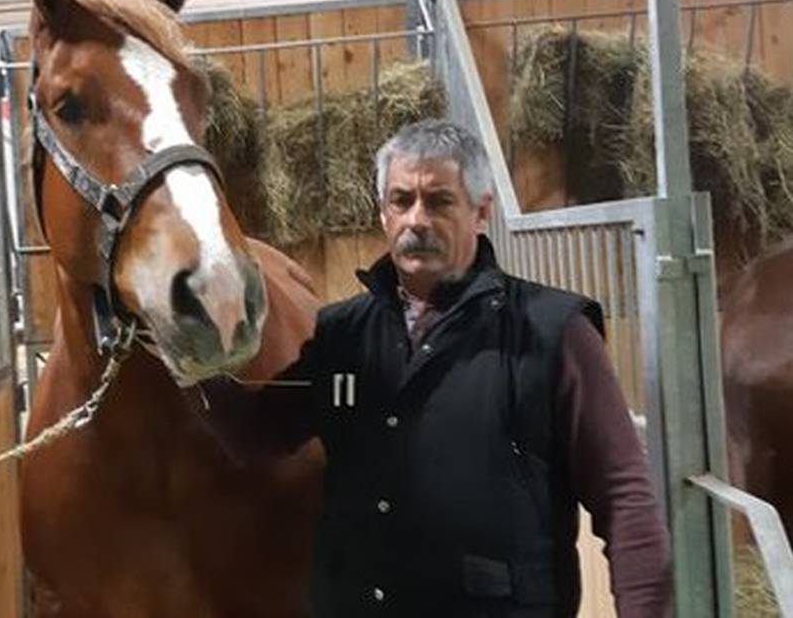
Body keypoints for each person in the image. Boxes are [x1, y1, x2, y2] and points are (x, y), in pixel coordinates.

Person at [187, 120, 671, 617]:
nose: (416, 219)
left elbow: (625, 498)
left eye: (439, 201)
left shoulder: (554, 332)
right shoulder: (341, 334)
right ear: (383, 215)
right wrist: (187, 359)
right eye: (401, 201)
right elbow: (254, 434)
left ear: (480, 211)